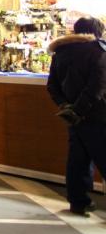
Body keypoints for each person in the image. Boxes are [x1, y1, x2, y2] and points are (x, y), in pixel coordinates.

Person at [47, 16, 106, 217]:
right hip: (98, 114)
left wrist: (67, 108)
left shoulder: (60, 52)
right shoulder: (98, 50)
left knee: (77, 159)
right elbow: (98, 86)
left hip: (73, 116)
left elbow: (52, 86)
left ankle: (78, 202)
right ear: (97, 32)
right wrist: (79, 109)